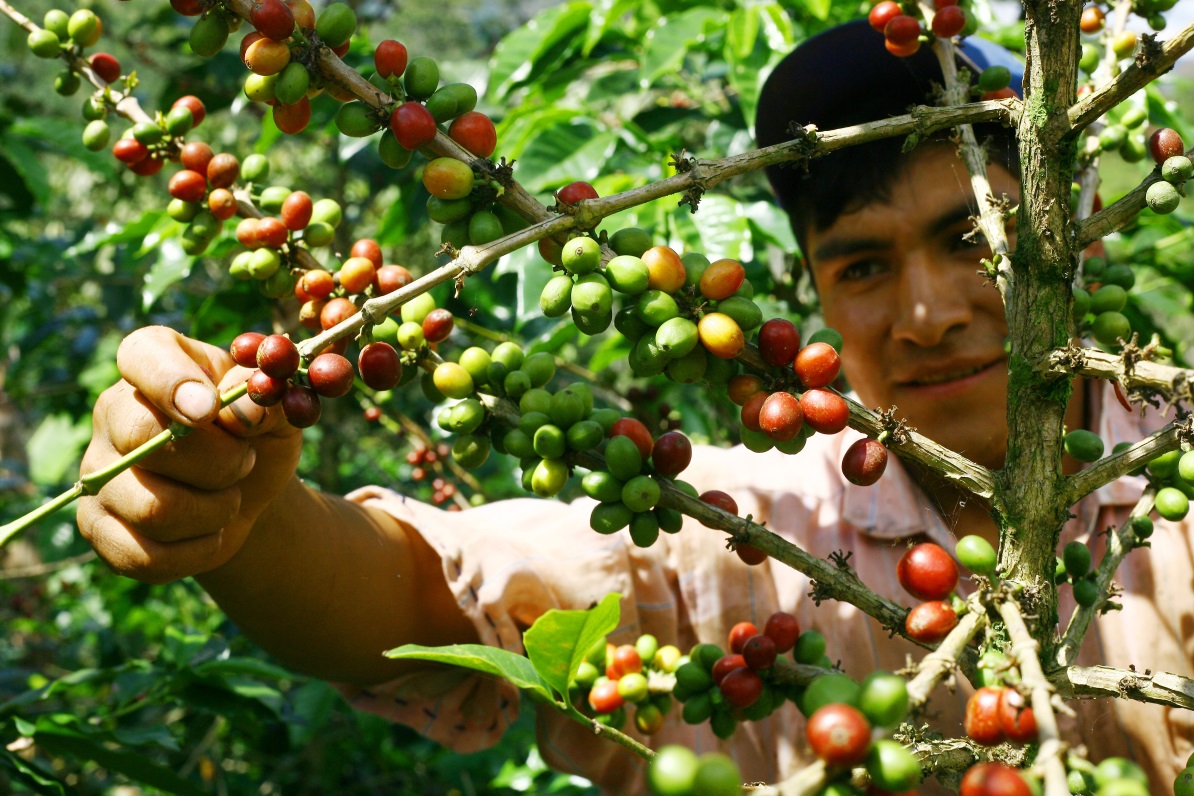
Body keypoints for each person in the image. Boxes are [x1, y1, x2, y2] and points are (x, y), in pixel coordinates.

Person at [77, 19, 1193, 795]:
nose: (926, 311)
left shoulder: (1175, 488)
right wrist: (239, 524)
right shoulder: (755, 528)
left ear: (1070, 235)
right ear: (812, 289)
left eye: (970, 240)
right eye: (858, 266)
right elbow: (433, 593)